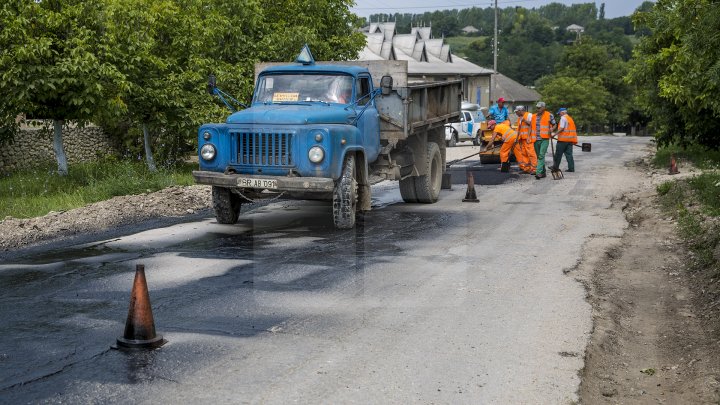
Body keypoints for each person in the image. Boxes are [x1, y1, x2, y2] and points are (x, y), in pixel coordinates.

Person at [531, 101, 556, 179]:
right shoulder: (533, 116)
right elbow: (531, 127)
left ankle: (538, 173)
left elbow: (555, 124)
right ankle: (543, 172)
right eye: (537, 108)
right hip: (535, 139)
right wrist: (529, 137)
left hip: (544, 139)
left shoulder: (549, 115)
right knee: (539, 156)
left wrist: (552, 129)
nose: (538, 109)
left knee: (541, 155)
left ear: (543, 108)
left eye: (539, 108)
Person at [551, 108, 577, 172]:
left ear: (562, 113)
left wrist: (554, 134)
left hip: (562, 140)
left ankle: (555, 167)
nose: (559, 115)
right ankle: (571, 168)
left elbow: (562, 128)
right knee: (569, 155)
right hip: (570, 140)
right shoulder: (570, 118)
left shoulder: (563, 118)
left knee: (558, 154)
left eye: (559, 113)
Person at [514, 105, 536, 174]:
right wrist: (517, 138)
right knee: (524, 154)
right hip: (522, 139)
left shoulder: (529, 115)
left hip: (528, 138)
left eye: (517, 112)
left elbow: (532, 125)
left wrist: (525, 120)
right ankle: (526, 169)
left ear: (520, 111)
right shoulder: (519, 118)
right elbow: (519, 129)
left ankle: (534, 169)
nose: (516, 113)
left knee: (531, 154)